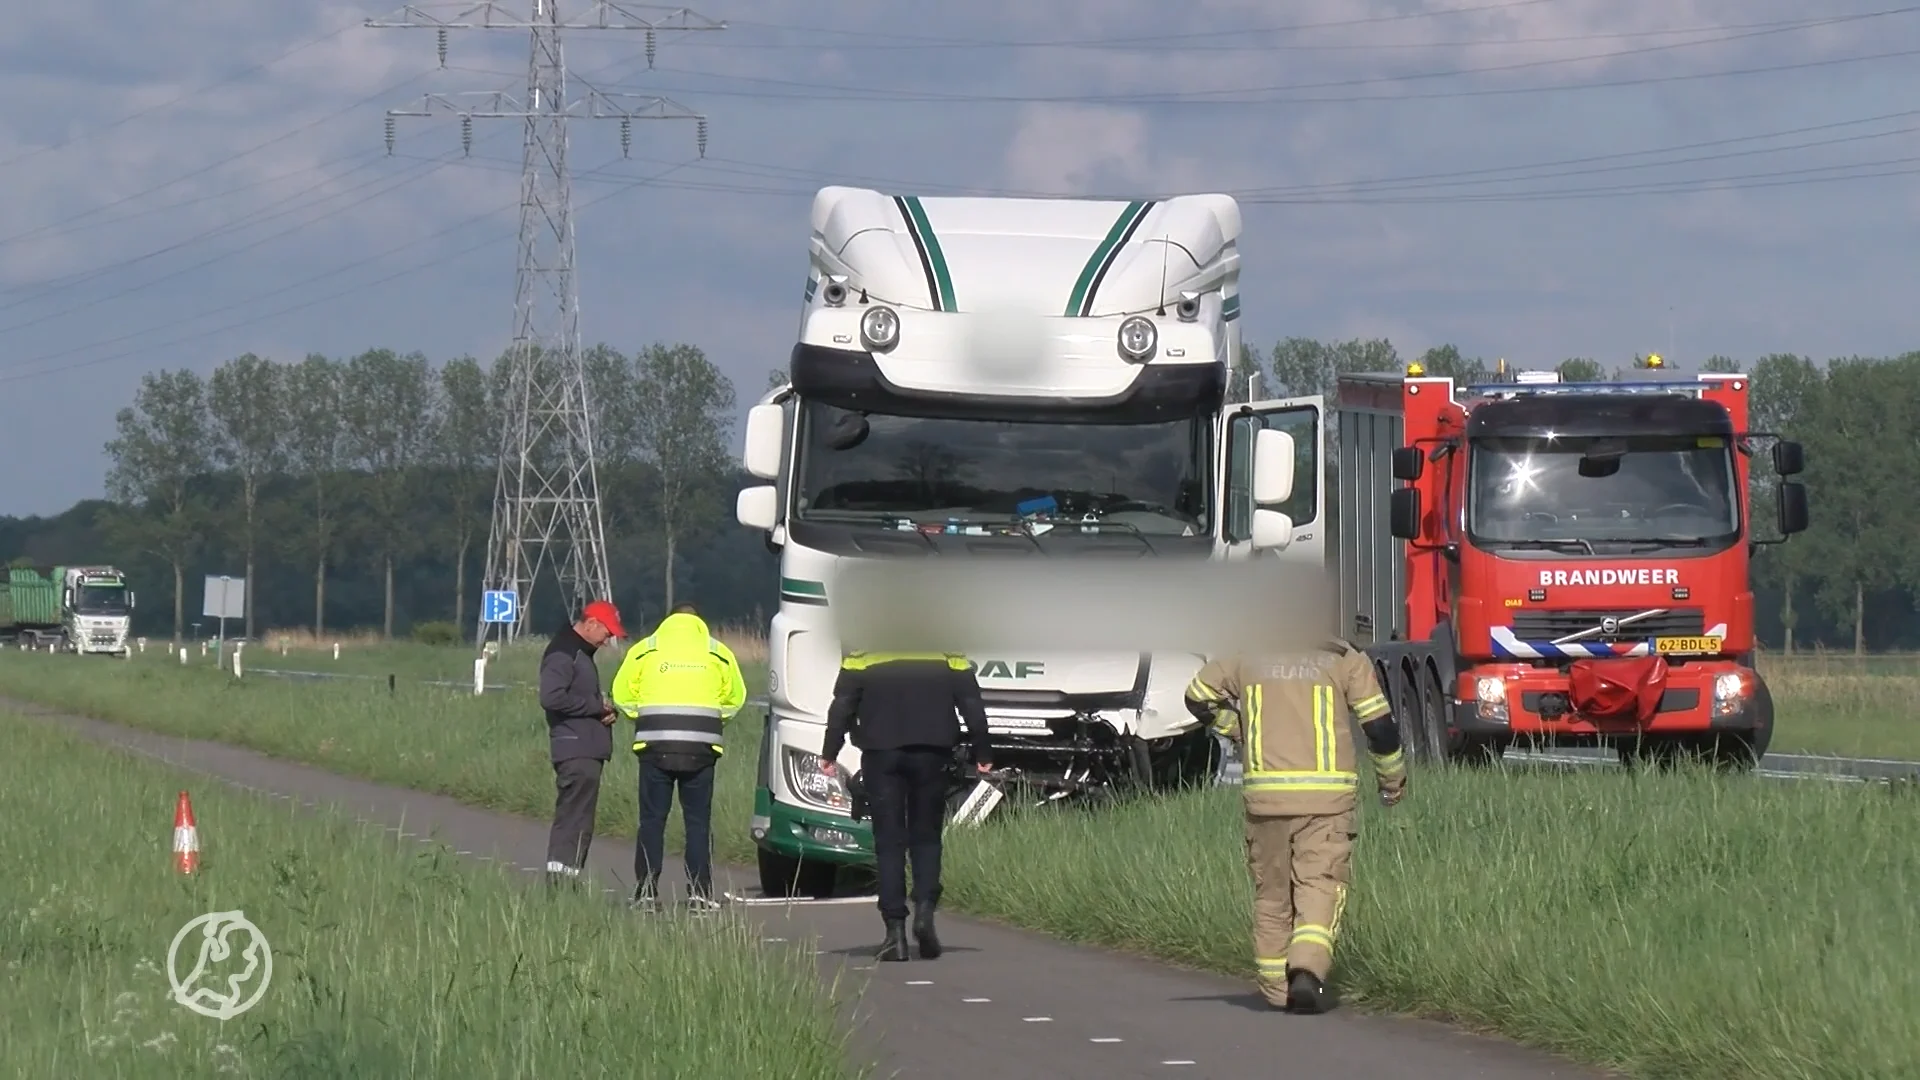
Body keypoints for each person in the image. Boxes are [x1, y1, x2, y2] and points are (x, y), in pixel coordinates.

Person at [1183, 638, 1407, 1015]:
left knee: (1271, 896)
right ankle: (1306, 970)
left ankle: (1275, 991)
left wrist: (1237, 728)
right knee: (1319, 885)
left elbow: (1196, 696)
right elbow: (1380, 728)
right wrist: (1392, 782)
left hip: (1265, 800)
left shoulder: (1246, 654)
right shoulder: (1342, 659)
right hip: (1326, 801)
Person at [821, 651, 992, 962]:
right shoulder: (945, 645)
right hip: (933, 750)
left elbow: (843, 703)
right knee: (926, 838)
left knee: (889, 843)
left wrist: (830, 750)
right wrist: (983, 751)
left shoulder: (867, 644)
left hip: (881, 751)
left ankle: (894, 934)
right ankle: (925, 914)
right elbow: (971, 702)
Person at [611, 602, 747, 914]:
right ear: (698, 623)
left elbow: (622, 693)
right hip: (701, 749)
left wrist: (643, 717)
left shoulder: (645, 650)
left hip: (655, 746)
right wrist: (712, 721)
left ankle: (646, 894)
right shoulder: (718, 652)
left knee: (652, 822)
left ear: (669, 620)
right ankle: (700, 894)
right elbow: (735, 698)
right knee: (698, 822)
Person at [540, 600, 626, 888]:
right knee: (574, 818)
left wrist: (603, 710)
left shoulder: (579, 652)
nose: (608, 640)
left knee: (578, 817)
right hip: (575, 747)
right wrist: (596, 707)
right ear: (590, 624)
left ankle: (566, 879)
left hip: (583, 745)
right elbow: (551, 697)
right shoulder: (565, 653)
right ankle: (561, 883)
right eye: (606, 632)